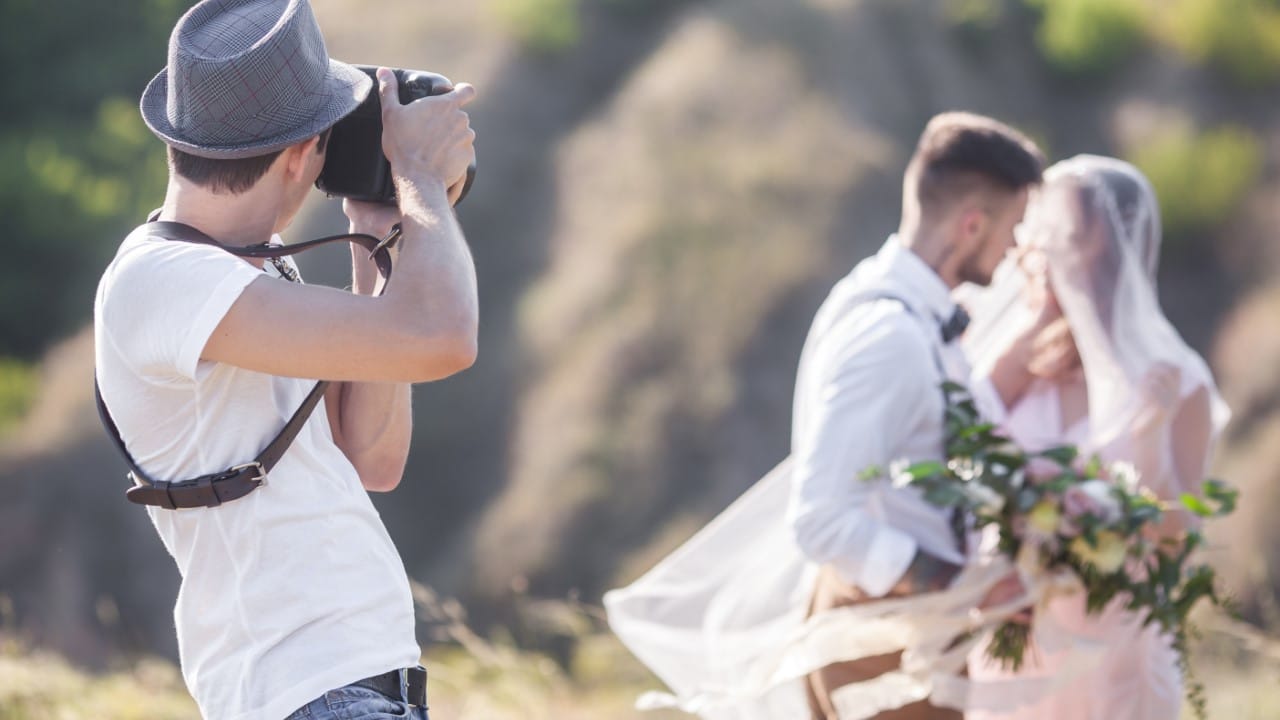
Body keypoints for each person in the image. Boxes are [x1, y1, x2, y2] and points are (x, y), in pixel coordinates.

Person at [92, 0, 477, 718]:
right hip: (304, 689)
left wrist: (380, 236)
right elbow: (443, 338)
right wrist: (420, 178)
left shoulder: (246, 278)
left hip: (355, 683)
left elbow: (371, 457)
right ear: (302, 153)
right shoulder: (163, 281)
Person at [605, 112, 1054, 720]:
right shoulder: (887, 334)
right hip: (874, 650)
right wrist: (960, 584)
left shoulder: (919, 320)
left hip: (907, 636)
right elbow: (821, 520)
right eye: (1014, 228)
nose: (1016, 249)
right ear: (972, 225)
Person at [961, 155, 1230, 720]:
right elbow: (963, 432)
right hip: (1019, 638)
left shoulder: (1175, 381)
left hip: (1118, 646)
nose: (1030, 248)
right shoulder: (1024, 355)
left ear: (1097, 246)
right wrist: (1041, 315)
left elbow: (1180, 539)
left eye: (1053, 235)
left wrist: (1150, 442)